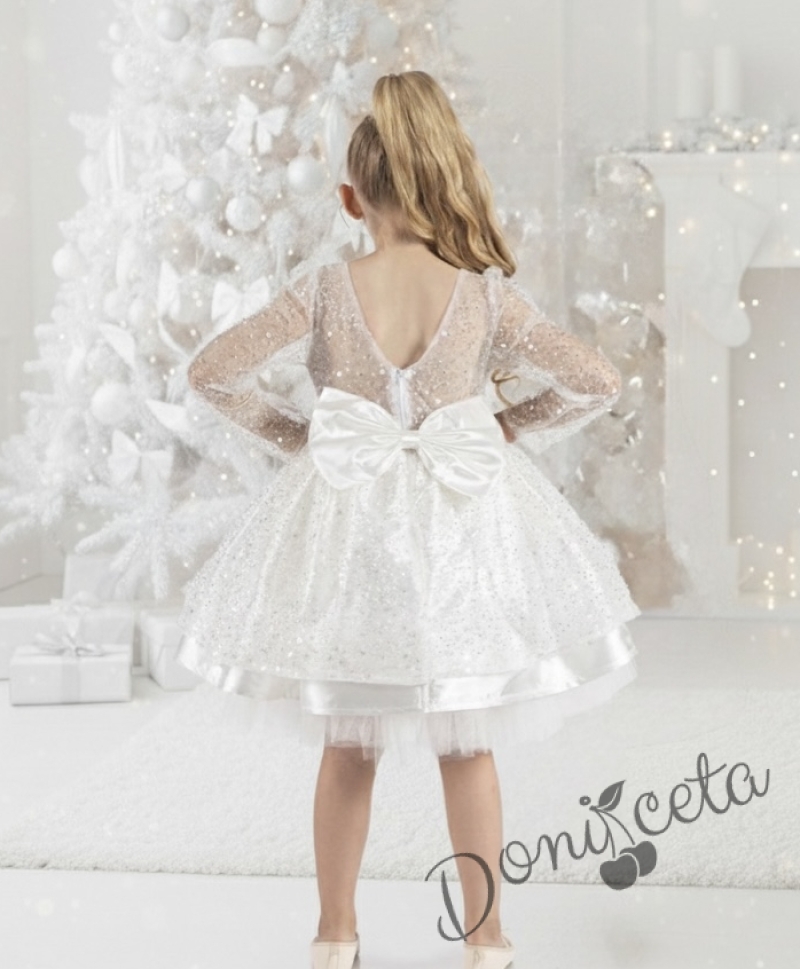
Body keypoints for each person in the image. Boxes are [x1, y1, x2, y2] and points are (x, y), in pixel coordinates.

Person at [177, 70, 641, 969]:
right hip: (459, 538)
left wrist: (300, 438)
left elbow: (210, 371)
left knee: (348, 744)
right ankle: (487, 940)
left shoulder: (323, 290)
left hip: (351, 537)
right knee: (466, 746)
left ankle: (335, 936)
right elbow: (598, 379)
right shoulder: (483, 294)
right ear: (439, 182)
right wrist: (508, 424)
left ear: (351, 197)